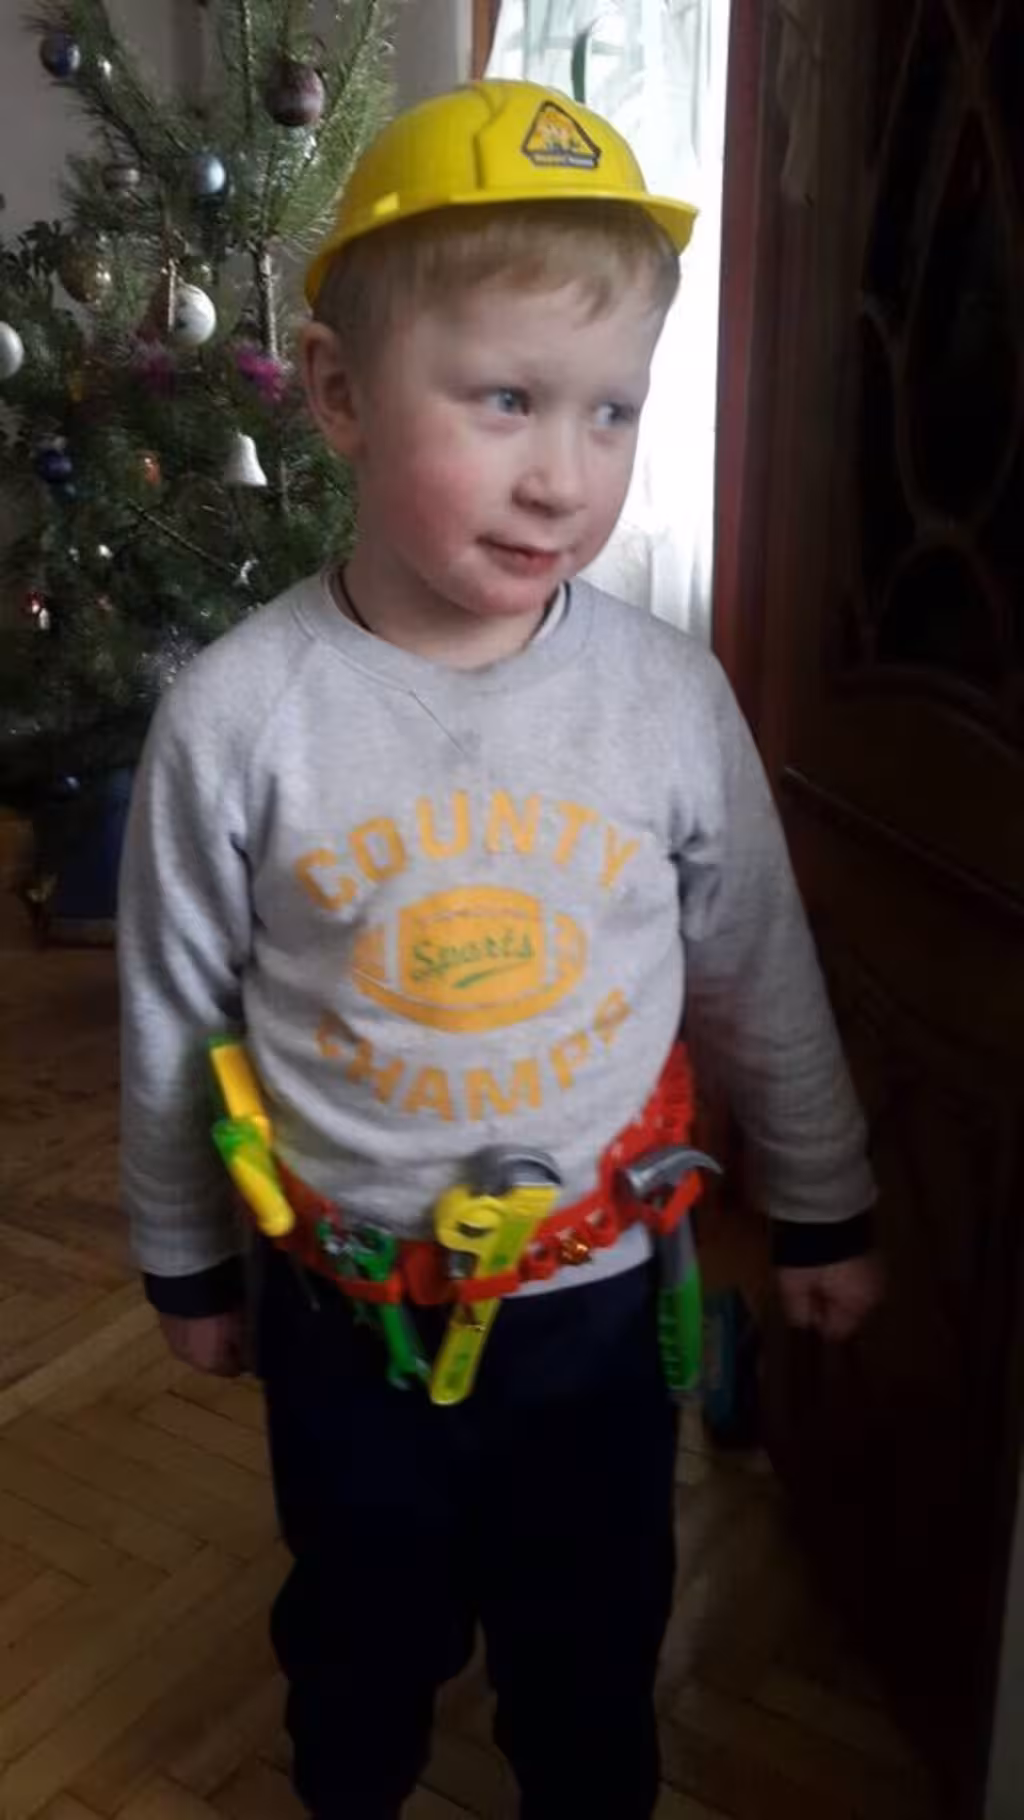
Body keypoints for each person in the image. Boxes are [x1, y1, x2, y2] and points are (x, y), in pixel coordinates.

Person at [118, 78, 881, 1820]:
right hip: (347, 1314)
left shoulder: (667, 698)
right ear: (337, 394)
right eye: (507, 400)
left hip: (596, 1311)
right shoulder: (241, 714)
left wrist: (826, 1204)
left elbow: (757, 965)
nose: (565, 474)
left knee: (593, 1651)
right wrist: (185, 1265)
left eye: (611, 412)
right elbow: (172, 1013)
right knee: (358, 1636)